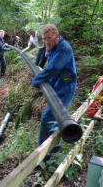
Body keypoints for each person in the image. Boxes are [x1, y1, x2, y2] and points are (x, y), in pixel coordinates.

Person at [31, 24, 77, 160]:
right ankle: (55, 147)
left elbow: (53, 68)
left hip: (66, 86)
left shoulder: (63, 48)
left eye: (48, 39)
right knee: (53, 118)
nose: (46, 42)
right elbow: (49, 62)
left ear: (57, 36)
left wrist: (36, 80)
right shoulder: (52, 45)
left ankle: (45, 156)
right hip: (57, 82)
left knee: (48, 118)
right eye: (44, 39)